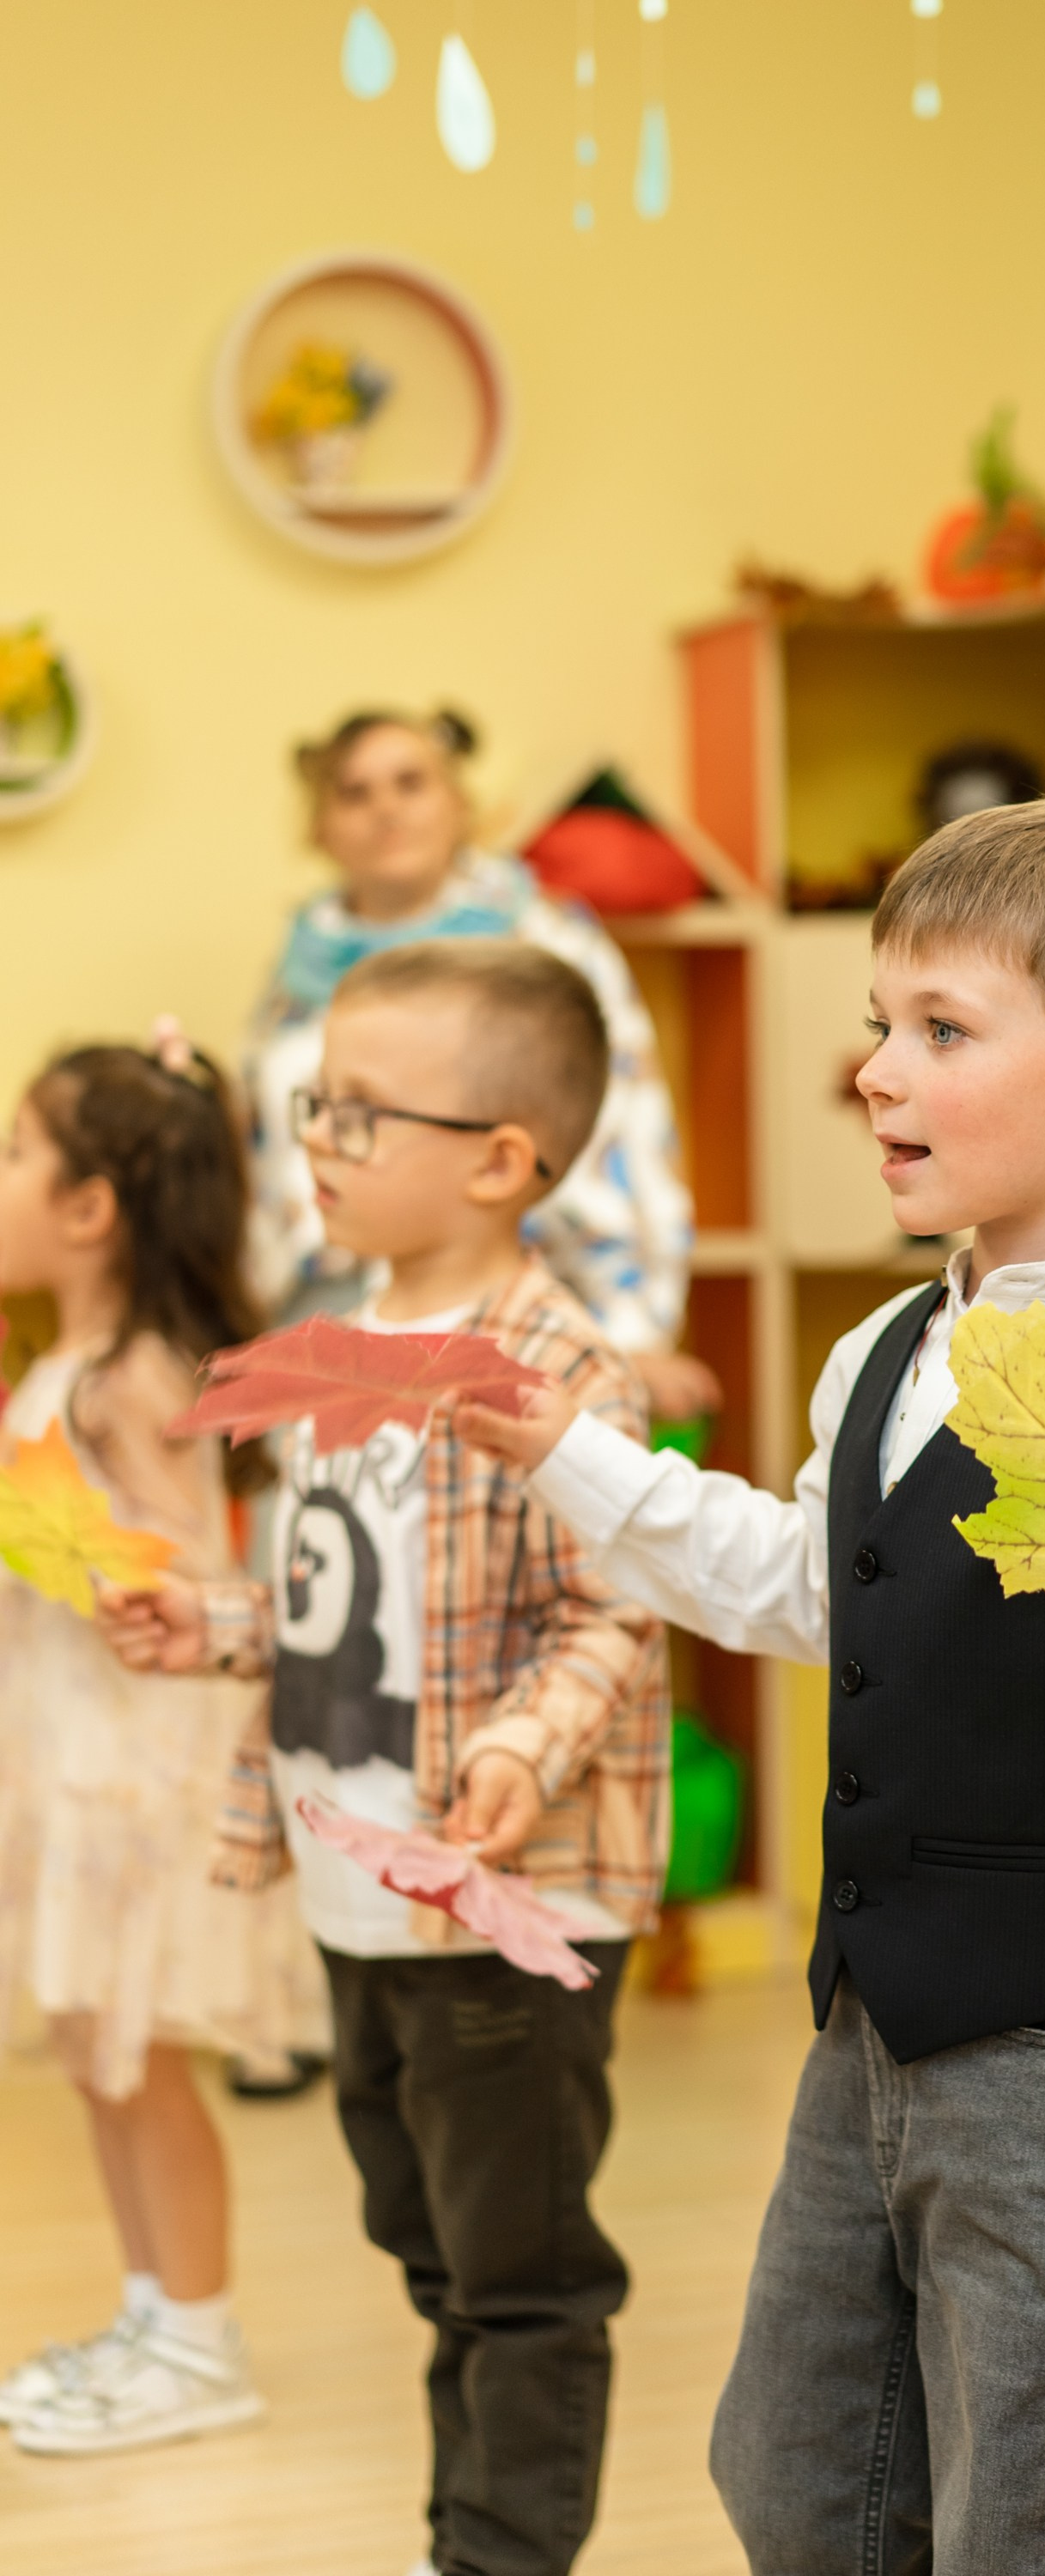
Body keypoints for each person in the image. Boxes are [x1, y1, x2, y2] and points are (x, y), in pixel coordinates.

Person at [456, 798, 1045, 2576]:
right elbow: (808, 1587)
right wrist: (570, 1452)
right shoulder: (884, 1349)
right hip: (866, 2030)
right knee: (800, 2471)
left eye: (939, 1031)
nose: (875, 1071)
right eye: (881, 1023)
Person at [100, 942, 671, 2576]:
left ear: (501, 1159)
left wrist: (520, 1749)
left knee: (520, 2273)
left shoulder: (558, 1367)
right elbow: (333, 1600)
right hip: (358, 1888)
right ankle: (464, 2531)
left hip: (503, 1895)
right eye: (316, 1105)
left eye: (361, 1114)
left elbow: (619, 1608)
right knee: (420, 2236)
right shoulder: (334, 1349)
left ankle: (496, 2551)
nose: (320, 1143)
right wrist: (207, 1624)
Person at [0, 1031, 301, 2454]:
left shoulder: (133, 1370)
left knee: (140, 2056)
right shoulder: (68, 1356)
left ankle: (200, 2334)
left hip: (138, 1764)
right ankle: (145, 2312)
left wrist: (73, 1554)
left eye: (14, 1152)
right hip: (66, 1752)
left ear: (90, 1206)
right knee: (92, 2052)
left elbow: (181, 1570)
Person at [246, 705, 715, 1420]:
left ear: (460, 803)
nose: (386, 810)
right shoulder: (296, 973)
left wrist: (631, 1331)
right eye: (355, 792)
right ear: (320, 826)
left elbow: (630, 1134)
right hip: (337, 1317)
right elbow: (266, 1163)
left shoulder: (549, 943)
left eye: (410, 782)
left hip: (522, 1298)